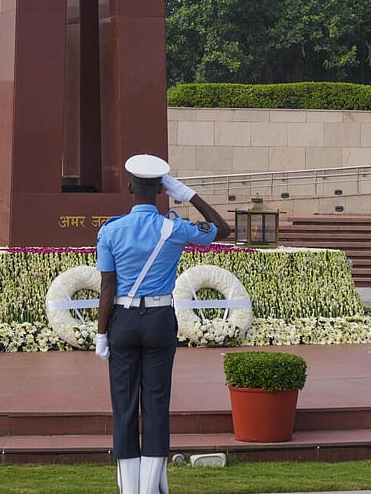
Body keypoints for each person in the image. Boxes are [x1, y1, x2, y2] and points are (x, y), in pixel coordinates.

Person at [96, 154, 231, 493]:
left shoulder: (111, 230)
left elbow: (108, 287)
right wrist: (189, 195)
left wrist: (100, 333)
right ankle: (150, 487)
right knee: (156, 404)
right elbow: (223, 229)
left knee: (124, 404)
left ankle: (130, 489)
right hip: (158, 320)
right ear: (161, 189)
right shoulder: (174, 228)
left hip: (123, 320)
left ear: (129, 186)